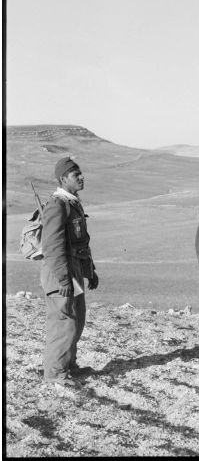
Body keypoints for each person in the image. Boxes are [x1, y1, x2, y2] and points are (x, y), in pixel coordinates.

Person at [40, 157, 99, 388]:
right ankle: (55, 373)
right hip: (60, 272)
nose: (82, 177)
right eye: (76, 175)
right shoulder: (57, 205)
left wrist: (90, 272)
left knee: (77, 318)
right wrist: (63, 279)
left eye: (81, 173)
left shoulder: (72, 203)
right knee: (63, 321)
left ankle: (68, 365)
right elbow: (52, 246)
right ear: (63, 179)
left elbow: (80, 242)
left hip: (73, 269)